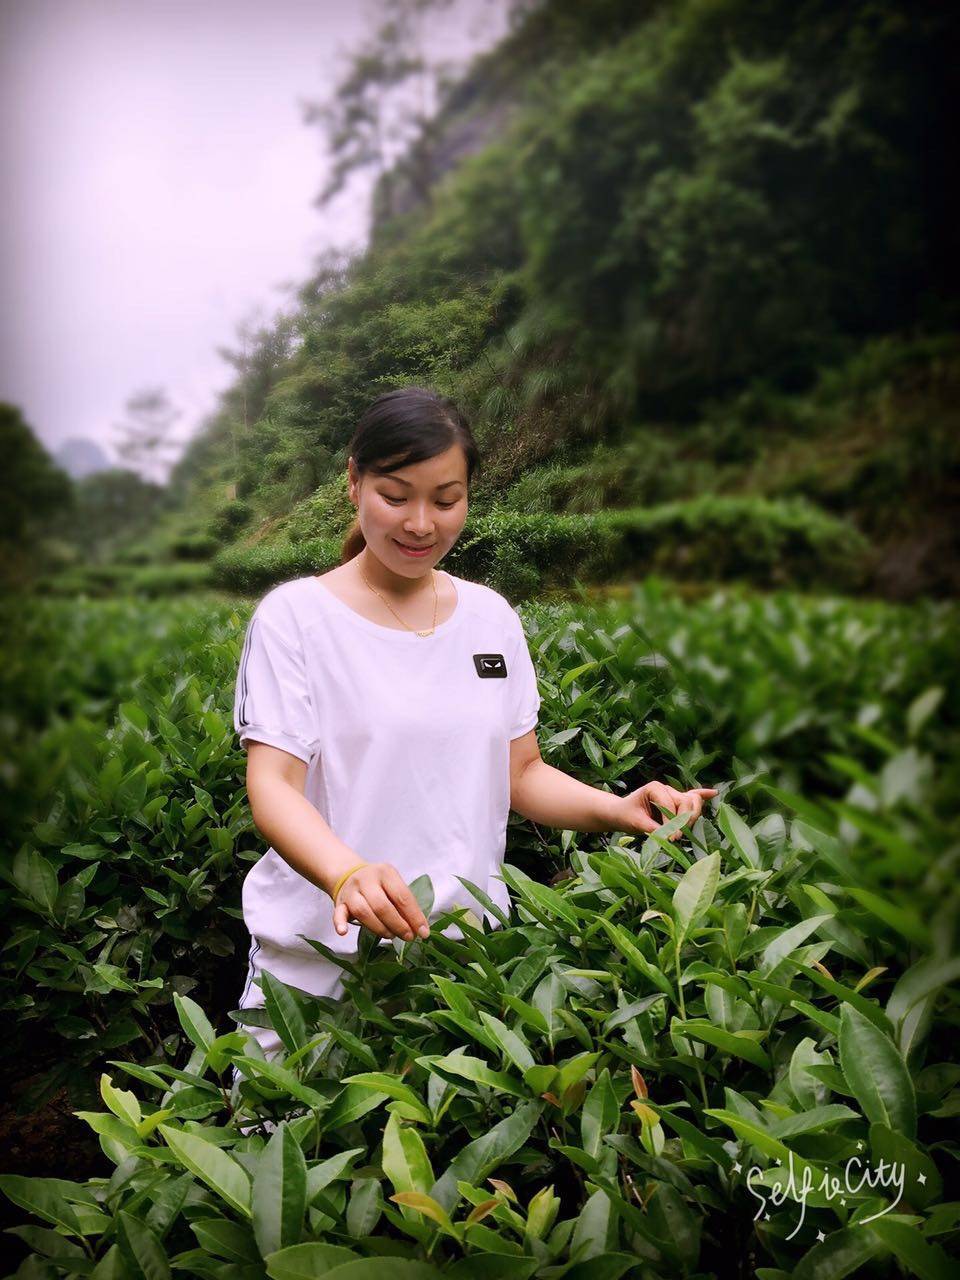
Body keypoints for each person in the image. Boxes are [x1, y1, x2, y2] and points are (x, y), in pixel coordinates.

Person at [233, 386, 716, 1056]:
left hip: (462, 969)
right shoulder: (296, 618)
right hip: (319, 967)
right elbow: (273, 786)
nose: (420, 523)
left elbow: (521, 772)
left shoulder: (490, 617)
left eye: (445, 499)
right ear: (354, 483)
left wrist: (617, 809)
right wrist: (347, 873)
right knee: (288, 1120)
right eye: (395, 496)